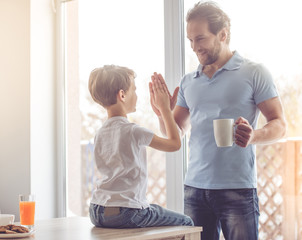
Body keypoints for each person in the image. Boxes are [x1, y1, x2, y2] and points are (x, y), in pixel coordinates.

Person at [149, 1, 287, 240]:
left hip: (238, 188)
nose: (194, 47)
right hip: (195, 190)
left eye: (200, 39)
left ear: (223, 34)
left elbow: (279, 124)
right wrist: (163, 114)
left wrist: (254, 135)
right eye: (190, 40)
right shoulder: (189, 81)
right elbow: (176, 132)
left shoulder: (254, 72)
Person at [88, 64, 193, 228]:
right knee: (187, 222)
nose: (136, 95)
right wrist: (165, 109)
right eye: (134, 90)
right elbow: (175, 144)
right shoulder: (134, 131)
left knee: (154, 208)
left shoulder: (100, 132)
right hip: (127, 212)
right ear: (122, 95)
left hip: (96, 210)